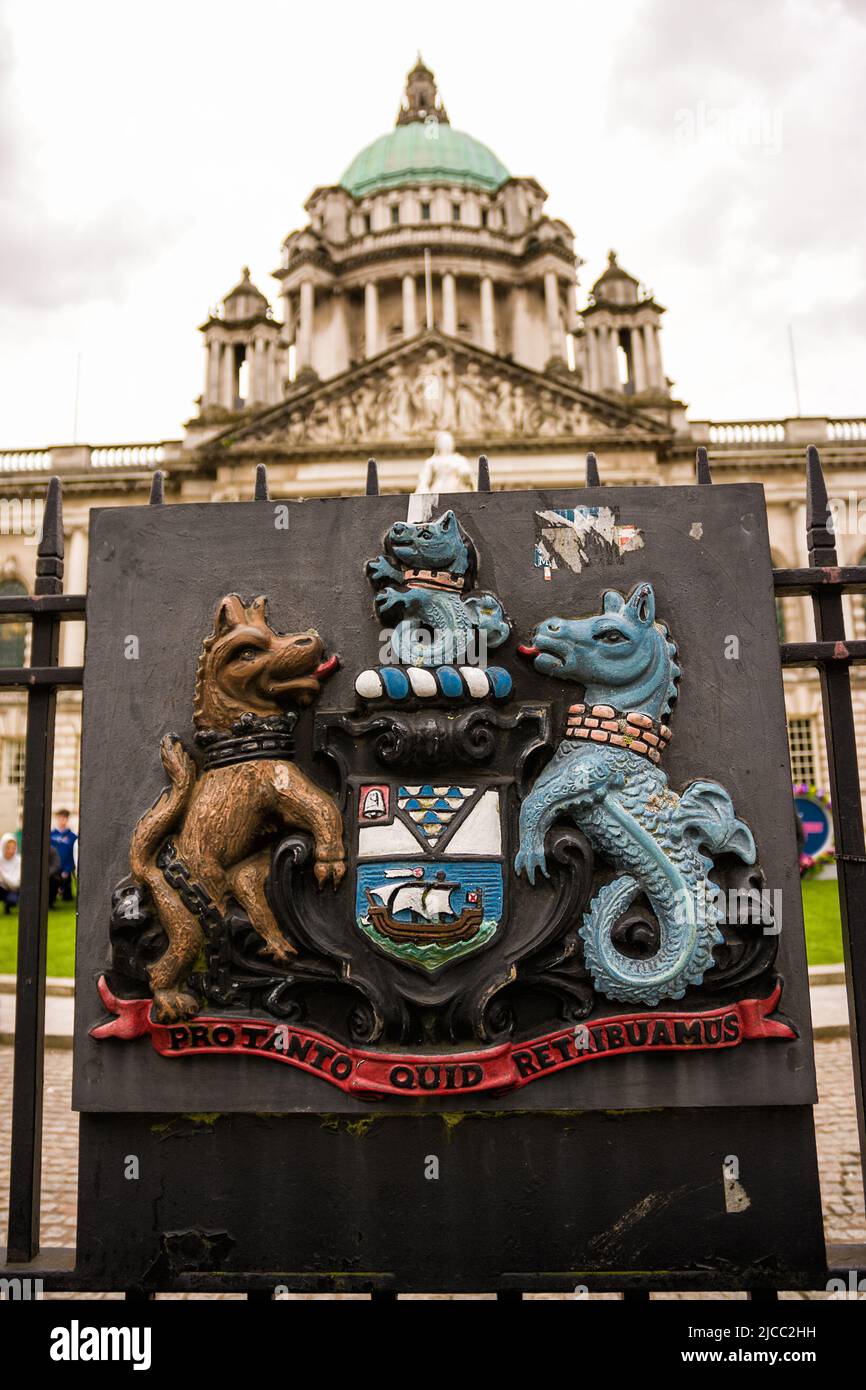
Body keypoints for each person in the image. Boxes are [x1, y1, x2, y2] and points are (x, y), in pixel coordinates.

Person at [50, 809, 78, 902]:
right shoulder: (50, 835)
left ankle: (64, 892)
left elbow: (72, 855)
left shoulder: (72, 837)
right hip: (53, 869)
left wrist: (67, 870)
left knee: (67, 898)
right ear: (57, 819)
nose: (62, 820)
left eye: (64, 818)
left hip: (66, 869)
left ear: (67, 819)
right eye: (60, 818)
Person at [0, 832, 21, 913]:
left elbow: (15, 883)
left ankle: (8, 905)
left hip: (13, 889)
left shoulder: (18, 861)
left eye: (13, 847)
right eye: (8, 847)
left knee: (13, 899)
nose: (11, 850)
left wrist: (2, 874)